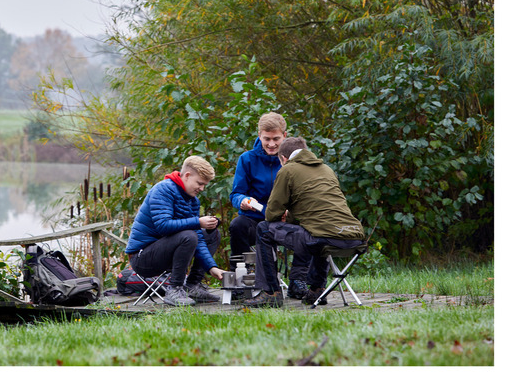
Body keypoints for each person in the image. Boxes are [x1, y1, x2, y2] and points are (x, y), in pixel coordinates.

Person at [243, 137, 366, 308]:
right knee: (318, 230)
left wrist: (283, 215)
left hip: (323, 237)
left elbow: (271, 214)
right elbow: (317, 208)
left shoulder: (288, 170)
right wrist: (291, 217)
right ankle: (317, 290)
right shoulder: (327, 169)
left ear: (283, 158)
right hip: (354, 238)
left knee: (264, 229)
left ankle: (271, 293)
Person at [228, 112, 311, 299]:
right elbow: (235, 194)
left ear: (285, 135)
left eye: (276, 139)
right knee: (237, 226)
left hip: (285, 220)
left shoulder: (296, 160)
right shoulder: (247, 159)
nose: (272, 144)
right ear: (259, 136)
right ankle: (240, 281)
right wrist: (242, 200)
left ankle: (299, 281)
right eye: (267, 139)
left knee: (310, 227)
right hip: (255, 219)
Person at [125, 156, 226, 306]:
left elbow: (197, 236)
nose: (202, 189)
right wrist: (198, 222)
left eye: (204, 185)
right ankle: (175, 289)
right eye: (200, 183)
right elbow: (163, 226)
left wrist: (211, 267)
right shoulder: (163, 190)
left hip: (166, 252)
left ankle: (192, 286)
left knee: (212, 234)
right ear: (187, 176)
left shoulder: (192, 200)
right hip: (142, 258)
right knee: (189, 235)